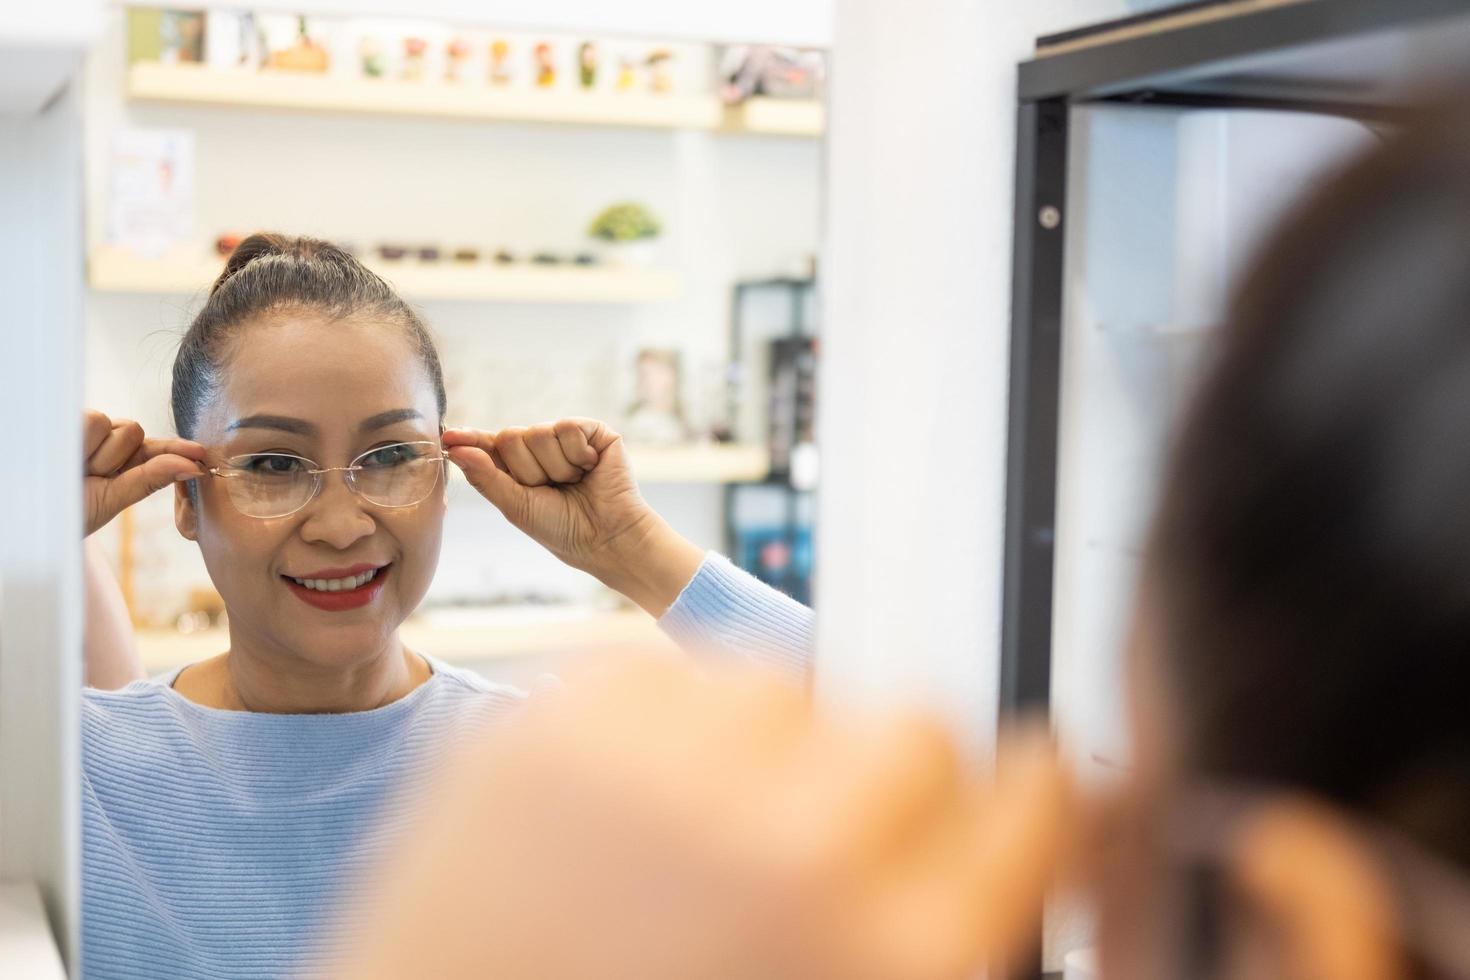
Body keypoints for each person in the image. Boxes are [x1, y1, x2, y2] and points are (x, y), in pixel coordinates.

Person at [325, 97, 1470, 979]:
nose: (341, 517)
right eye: (274, 461)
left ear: (1295, 920)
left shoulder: (523, 774)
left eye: (1131, 826)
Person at [79, 233, 814, 979]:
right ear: (187, 500)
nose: (342, 525)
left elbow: (891, 741)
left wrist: (631, 548)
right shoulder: (78, 769)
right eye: (274, 465)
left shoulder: (538, 766)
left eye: (392, 456)